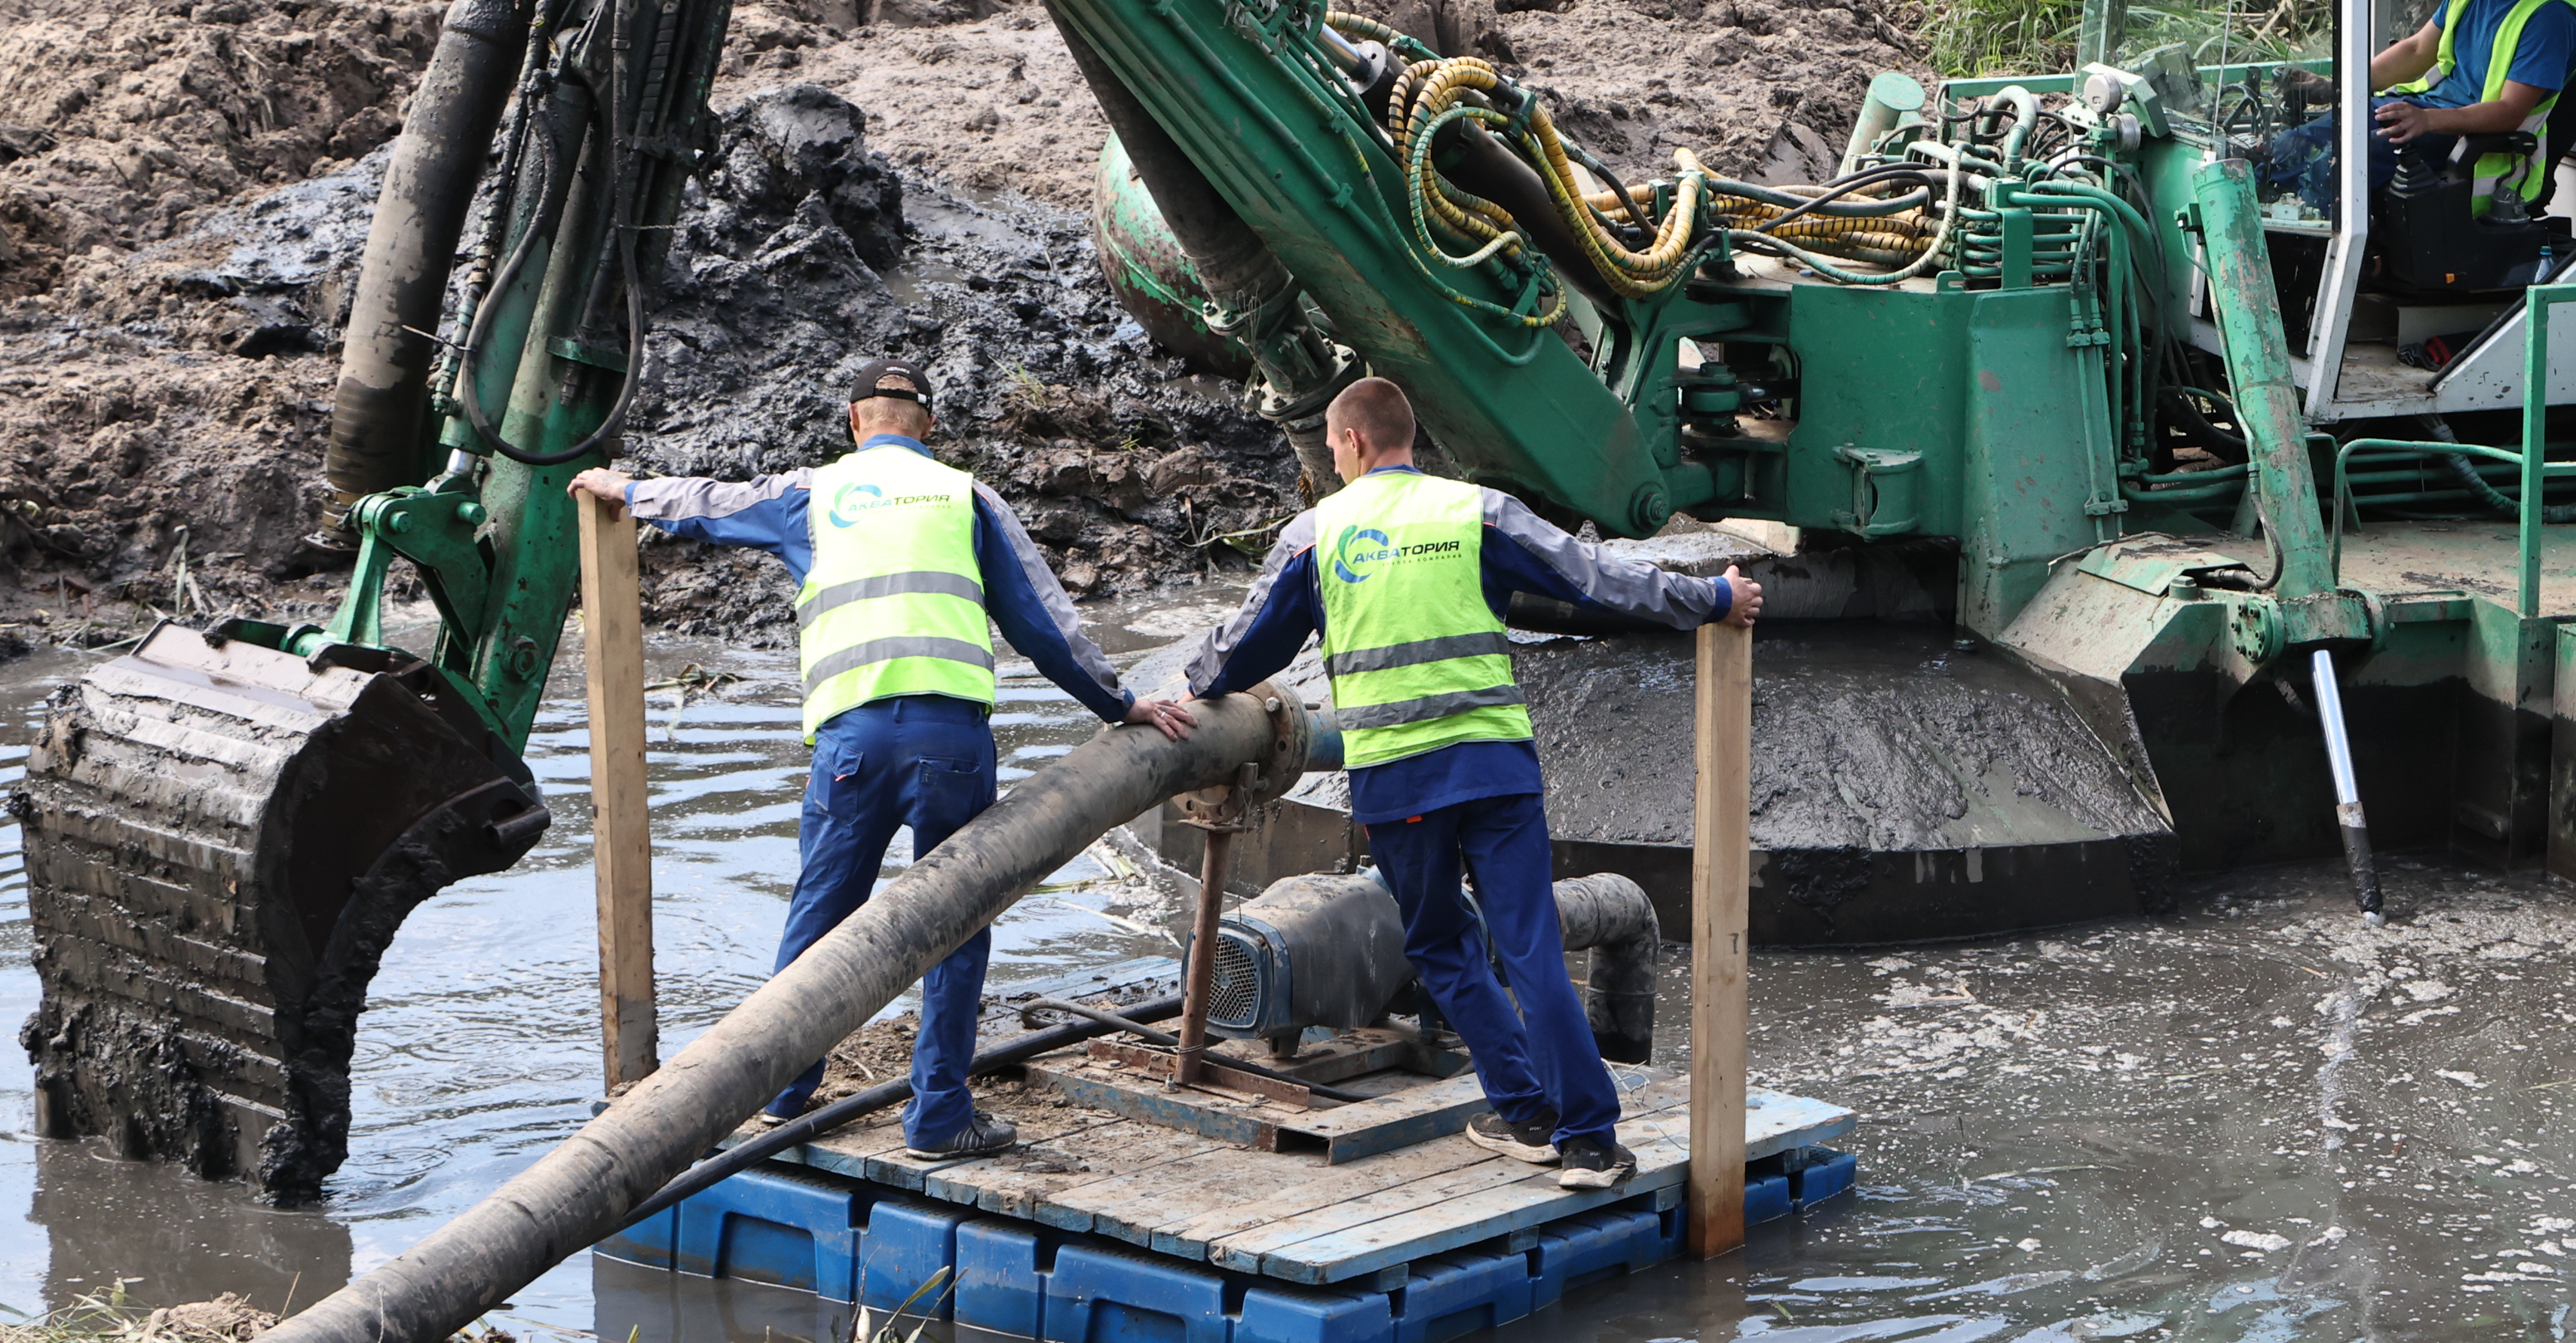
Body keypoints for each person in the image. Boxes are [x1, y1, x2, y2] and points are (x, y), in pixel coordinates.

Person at [570, 362, 1192, 1160]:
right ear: (926, 426)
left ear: (854, 422)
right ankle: (938, 1117)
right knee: (957, 925)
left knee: (822, 918)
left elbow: (710, 504)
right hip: (952, 744)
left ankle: (785, 1094)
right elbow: (1043, 624)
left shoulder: (811, 495)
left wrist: (625, 489)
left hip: (851, 745)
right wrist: (1121, 705)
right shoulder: (965, 496)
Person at [1162, 375, 1761, 1192]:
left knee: (1441, 945)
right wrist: (1715, 597)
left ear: (1349, 442)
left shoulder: (1319, 533)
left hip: (1400, 783)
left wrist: (1182, 691)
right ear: (1410, 439)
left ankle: (1523, 1111)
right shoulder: (1474, 511)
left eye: (1334, 448)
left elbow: (1245, 650)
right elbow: (1595, 577)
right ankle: (1588, 1142)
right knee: (1531, 946)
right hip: (1493, 768)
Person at [2261, 0, 2576, 217]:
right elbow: (2419, 50)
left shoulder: (2551, 16)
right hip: (2420, 110)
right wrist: (2338, 87)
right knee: (2290, 147)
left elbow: (2510, 111)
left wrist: (2427, 120)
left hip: (2464, 141)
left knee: (2334, 171)